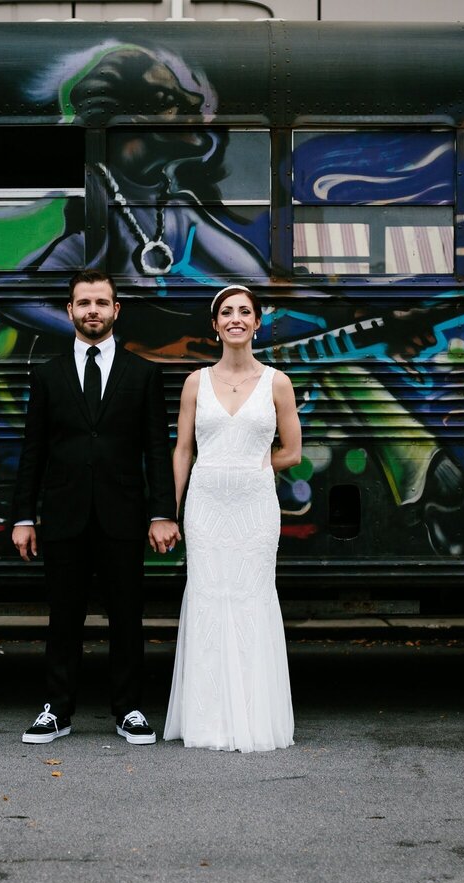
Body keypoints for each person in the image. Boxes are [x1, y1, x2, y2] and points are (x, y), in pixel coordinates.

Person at [11, 270, 180, 744]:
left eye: (101, 303)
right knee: (64, 618)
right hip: (63, 516)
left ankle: (128, 710)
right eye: (84, 303)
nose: (92, 311)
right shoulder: (46, 374)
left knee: (127, 617)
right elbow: (33, 450)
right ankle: (57, 711)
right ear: (70, 311)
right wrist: (24, 516)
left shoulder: (143, 373)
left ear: (115, 310)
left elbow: (156, 447)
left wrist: (161, 512)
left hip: (123, 514)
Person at [163, 285, 302, 752]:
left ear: (257, 323)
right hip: (206, 507)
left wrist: (262, 463)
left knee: (251, 598)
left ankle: (254, 716)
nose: (236, 318)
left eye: (245, 312)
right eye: (227, 312)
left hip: (255, 509)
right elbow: (183, 449)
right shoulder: (196, 382)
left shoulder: (277, 382)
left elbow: (293, 450)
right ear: (215, 324)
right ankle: (210, 720)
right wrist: (171, 512)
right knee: (208, 600)